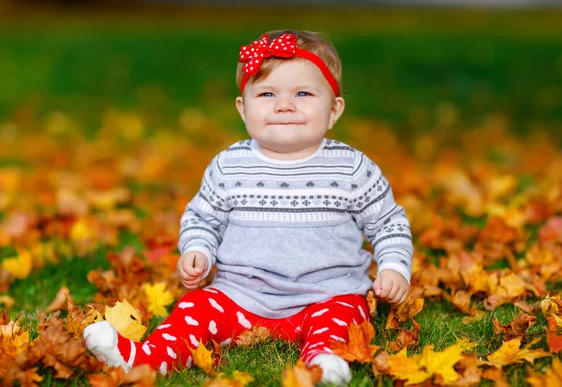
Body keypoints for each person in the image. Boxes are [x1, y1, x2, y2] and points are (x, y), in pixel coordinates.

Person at [84, 30, 413, 385]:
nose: (284, 105)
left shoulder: (352, 168)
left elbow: (389, 223)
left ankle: (324, 363)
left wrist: (394, 267)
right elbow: (202, 217)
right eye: (267, 94)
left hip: (327, 294)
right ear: (243, 108)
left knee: (345, 316)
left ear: (333, 110)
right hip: (241, 297)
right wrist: (198, 250)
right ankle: (147, 359)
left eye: (303, 94)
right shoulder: (230, 165)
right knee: (194, 308)